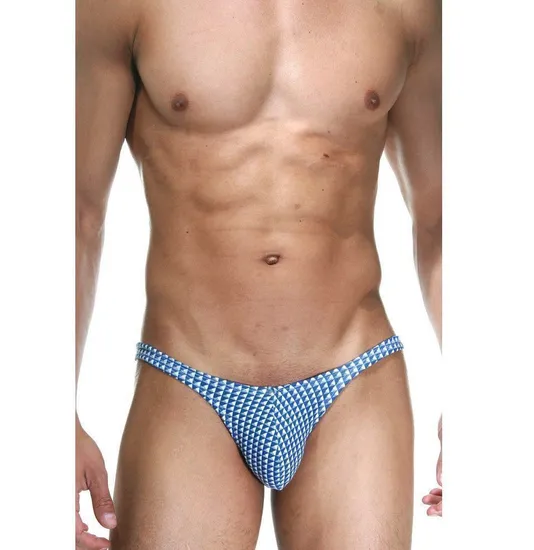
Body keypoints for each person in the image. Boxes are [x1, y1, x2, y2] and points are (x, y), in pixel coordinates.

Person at [76, 0, 442, 548]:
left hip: (353, 373)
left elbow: (440, 216)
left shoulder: (408, 8)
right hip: (189, 375)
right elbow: (77, 213)